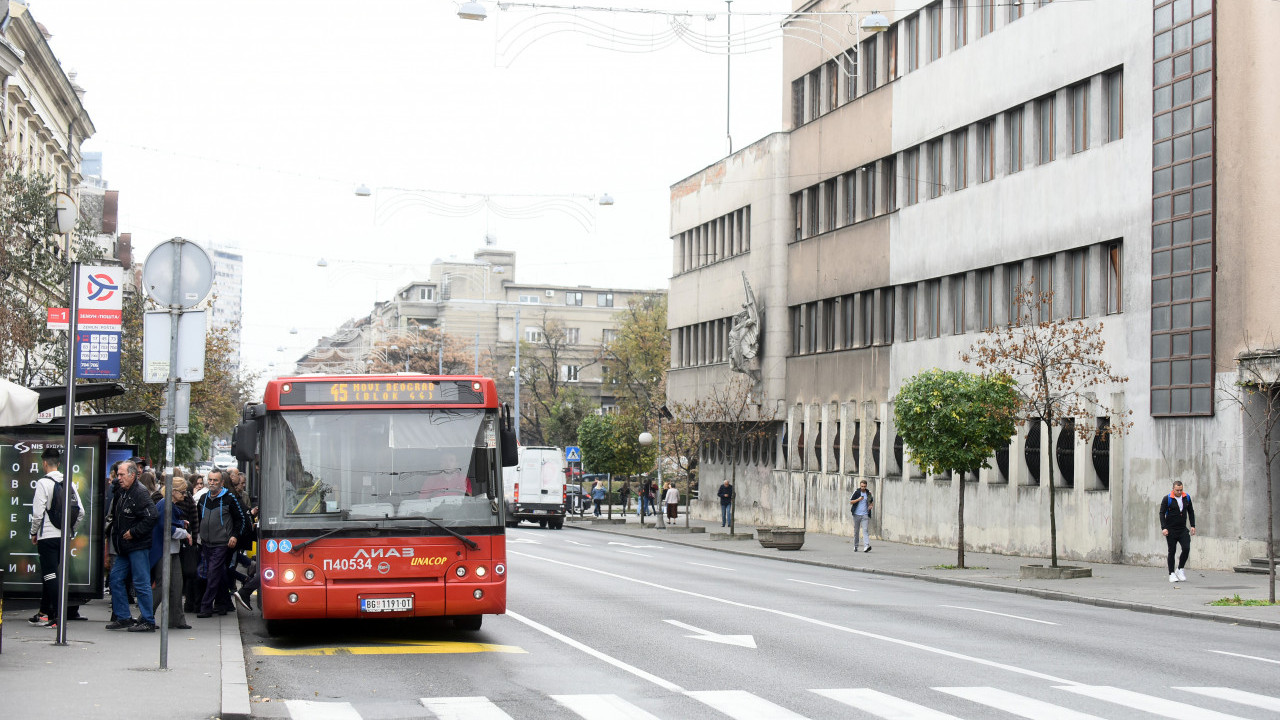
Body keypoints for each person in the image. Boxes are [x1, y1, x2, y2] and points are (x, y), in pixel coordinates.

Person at [27, 448, 85, 629]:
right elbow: (81, 512)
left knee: (50, 574)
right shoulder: (70, 483)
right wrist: (70, 530)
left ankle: (58, 616)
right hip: (64, 537)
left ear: (44, 463)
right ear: (58, 463)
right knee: (51, 574)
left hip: (47, 536)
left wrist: (33, 533)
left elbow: (37, 514)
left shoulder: (43, 483)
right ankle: (44, 613)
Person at [107, 460, 160, 631]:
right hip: (124, 546)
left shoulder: (140, 492)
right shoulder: (123, 491)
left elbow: (152, 516)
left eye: (122, 475)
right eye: (118, 474)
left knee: (141, 582)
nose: (119, 478)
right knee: (115, 579)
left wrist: (134, 532)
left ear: (132, 475)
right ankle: (123, 617)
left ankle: (147, 620)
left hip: (136, 545)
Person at [197, 469, 247, 617]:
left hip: (222, 544)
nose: (212, 483)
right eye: (210, 480)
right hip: (206, 543)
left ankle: (206, 607)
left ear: (222, 482)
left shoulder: (229, 499)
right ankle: (223, 604)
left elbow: (241, 520)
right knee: (216, 574)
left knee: (213, 573)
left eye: (215, 480)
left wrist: (234, 536)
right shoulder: (203, 498)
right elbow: (200, 519)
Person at [150, 478, 192, 629]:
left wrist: (181, 524)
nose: (185, 495)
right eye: (182, 492)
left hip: (169, 550)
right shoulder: (166, 505)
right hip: (164, 550)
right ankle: (147, 616)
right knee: (164, 585)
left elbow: (167, 523)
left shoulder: (166, 504)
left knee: (176, 584)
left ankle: (176, 619)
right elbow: (166, 527)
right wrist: (185, 533)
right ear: (173, 492)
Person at [1159, 480, 1196, 583]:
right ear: (1173, 489)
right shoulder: (1167, 499)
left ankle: (1180, 569)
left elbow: (1191, 511)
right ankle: (1171, 573)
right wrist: (1164, 528)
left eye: (1181, 490)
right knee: (1172, 551)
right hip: (1170, 530)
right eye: (1177, 490)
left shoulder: (1186, 497)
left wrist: (1193, 525)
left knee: (1186, 548)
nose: (1179, 492)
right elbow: (1161, 513)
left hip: (1182, 529)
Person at [850, 480, 874, 552]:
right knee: (856, 531)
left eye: (864, 486)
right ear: (860, 486)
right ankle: (855, 546)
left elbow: (870, 502)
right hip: (856, 514)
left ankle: (866, 546)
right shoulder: (856, 492)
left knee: (865, 530)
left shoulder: (868, 493)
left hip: (865, 514)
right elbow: (851, 501)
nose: (863, 487)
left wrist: (870, 506)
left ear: (866, 486)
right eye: (862, 486)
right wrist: (858, 499)